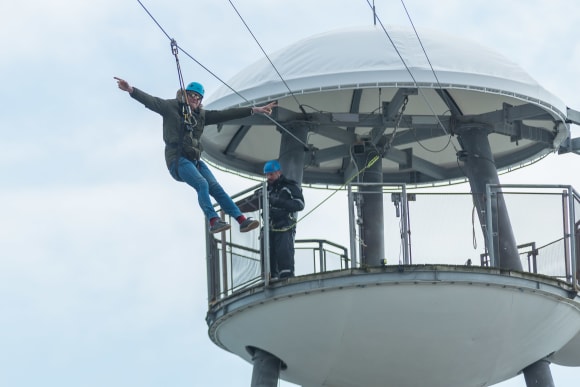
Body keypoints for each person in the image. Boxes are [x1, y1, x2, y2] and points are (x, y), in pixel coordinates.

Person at [114, 77, 277, 233]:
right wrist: (130, 89)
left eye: (198, 97)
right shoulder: (171, 107)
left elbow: (226, 114)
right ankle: (213, 221)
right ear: (185, 95)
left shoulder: (201, 116)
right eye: (192, 95)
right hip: (177, 160)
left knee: (215, 187)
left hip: (194, 160)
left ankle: (241, 220)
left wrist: (254, 110)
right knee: (202, 184)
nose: (194, 99)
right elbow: (152, 101)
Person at [263, 160, 305, 278]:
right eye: (267, 174)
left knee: (284, 258)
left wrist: (279, 202)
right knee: (269, 260)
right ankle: (270, 277)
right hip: (270, 229)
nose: (268, 177)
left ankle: (286, 278)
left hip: (284, 226)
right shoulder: (266, 190)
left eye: (271, 174)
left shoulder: (289, 186)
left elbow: (299, 204)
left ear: (279, 173)